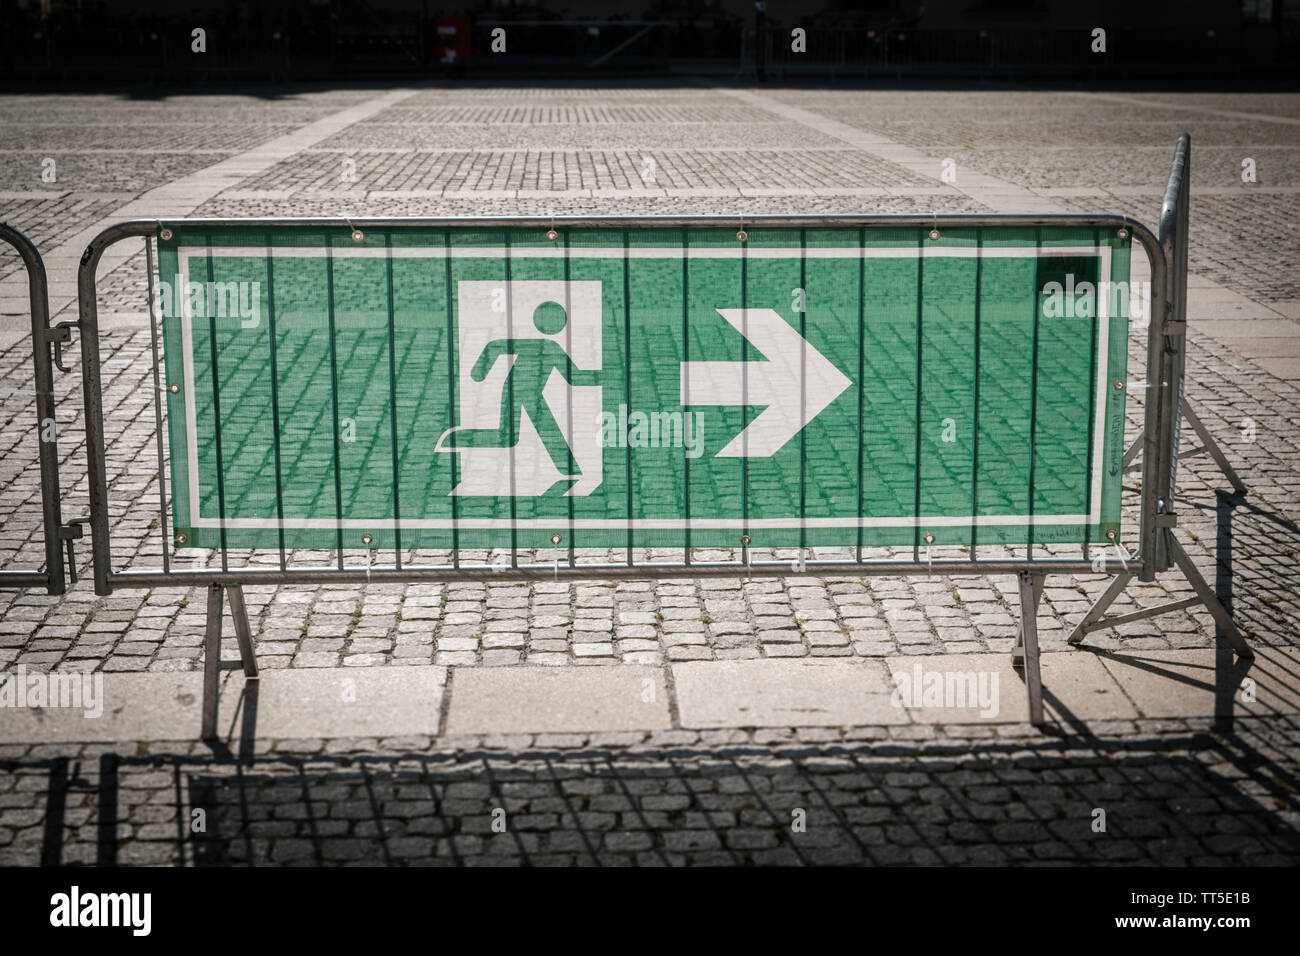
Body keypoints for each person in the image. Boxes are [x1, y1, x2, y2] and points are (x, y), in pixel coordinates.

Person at [441, 300, 599, 476]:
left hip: (520, 392)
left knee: (508, 436)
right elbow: (575, 377)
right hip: (522, 393)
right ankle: (569, 469)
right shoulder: (550, 347)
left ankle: (459, 439)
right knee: (527, 431)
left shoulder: (547, 346)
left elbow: (495, 346)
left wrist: (480, 371)